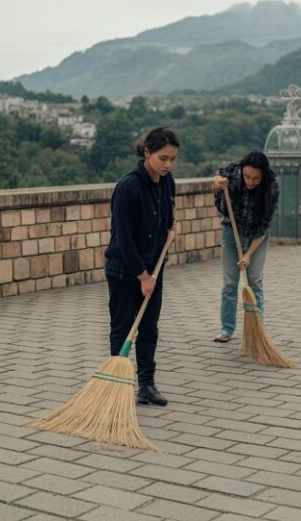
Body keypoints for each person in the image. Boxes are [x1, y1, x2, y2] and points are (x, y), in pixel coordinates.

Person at [104, 126, 178, 406]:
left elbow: (166, 218)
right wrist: (142, 276)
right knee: (122, 329)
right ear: (147, 152)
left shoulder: (168, 182)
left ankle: (146, 386)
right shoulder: (128, 187)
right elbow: (124, 238)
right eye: (162, 158)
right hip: (125, 270)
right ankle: (117, 388)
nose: (167, 165)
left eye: (172, 159)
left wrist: (172, 229)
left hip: (154, 269)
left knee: (149, 328)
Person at [212, 151, 279, 343]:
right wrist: (216, 183)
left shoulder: (272, 185)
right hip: (231, 231)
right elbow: (217, 174)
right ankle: (227, 328)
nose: (250, 182)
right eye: (247, 176)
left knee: (254, 280)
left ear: (263, 176)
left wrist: (248, 254)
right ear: (242, 170)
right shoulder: (231, 171)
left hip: (257, 235)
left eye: (256, 179)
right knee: (230, 283)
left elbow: (265, 225)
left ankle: (257, 328)